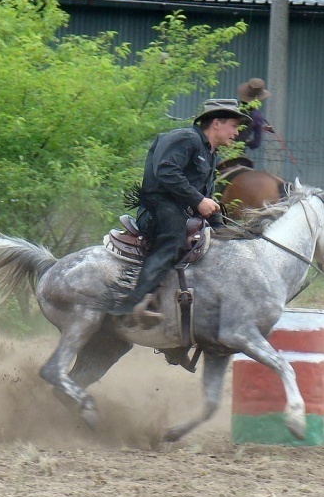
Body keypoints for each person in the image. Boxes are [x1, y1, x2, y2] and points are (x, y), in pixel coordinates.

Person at [111, 98, 251, 320]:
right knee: (174, 236)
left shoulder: (211, 153)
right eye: (233, 126)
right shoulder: (185, 139)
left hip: (179, 207)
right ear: (216, 123)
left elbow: (205, 198)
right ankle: (136, 302)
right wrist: (197, 201)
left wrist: (221, 230)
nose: (236, 132)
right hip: (157, 206)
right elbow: (165, 171)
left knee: (218, 241)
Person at [236, 78, 273, 150]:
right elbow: (256, 143)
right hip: (237, 152)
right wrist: (246, 141)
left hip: (218, 149)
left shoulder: (232, 107)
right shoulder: (257, 117)